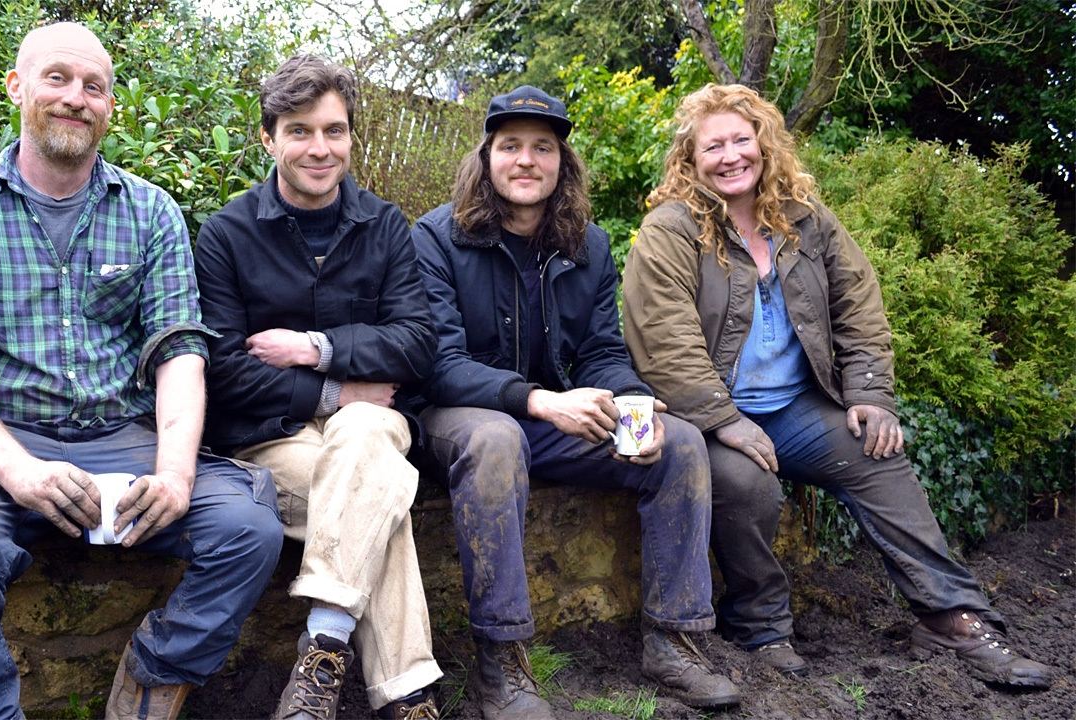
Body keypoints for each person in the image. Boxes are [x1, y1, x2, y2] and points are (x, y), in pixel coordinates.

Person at [0, 22, 285, 720]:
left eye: (93, 86)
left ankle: (154, 678)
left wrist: (176, 473)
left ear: (110, 106)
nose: (77, 98)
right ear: (17, 88)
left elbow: (180, 356)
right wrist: (18, 472)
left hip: (118, 441)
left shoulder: (152, 211)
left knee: (248, 522)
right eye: (58, 79)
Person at [623, 83, 1054, 689]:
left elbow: (859, 303)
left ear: (764, 145)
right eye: (711, 146)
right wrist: (724, 420)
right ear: (689, 161)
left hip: (797, 408)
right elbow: (662, 337)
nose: (729, 157)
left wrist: (871, 396)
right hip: (709, 417)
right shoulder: (670, 230)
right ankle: (760, 625)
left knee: (877, 455)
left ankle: (951, 615)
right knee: (746, 484)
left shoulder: (805, 220)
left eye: (740, 140)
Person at [410, 86, 740, 717]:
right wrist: (537, 401)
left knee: (681, 446)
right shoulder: (436, 238)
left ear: (562, 162)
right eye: (510, 147)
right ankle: (502, 663)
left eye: (542, 147)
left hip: (552, 418)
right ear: (486, 158)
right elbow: (439, 366)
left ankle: (674, 640)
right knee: (496, 439)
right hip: (461, 420)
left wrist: (632, 400)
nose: (526, 160)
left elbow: (601, 350)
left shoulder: (587, 245)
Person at [194, 55, 442, 720]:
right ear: (269, 139)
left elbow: (418, 340)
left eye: (334, 131)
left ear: (352, 138)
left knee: (364, 439)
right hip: (270, 438)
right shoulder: (226, 234)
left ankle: (320, 659)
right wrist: (334, 394)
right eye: (300, 131)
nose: (319, 147)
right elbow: (221, 366)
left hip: (374, 425)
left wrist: (316, 349)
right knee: (376, 500)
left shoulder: (386, 226)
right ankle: (408, 695)